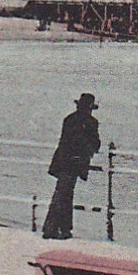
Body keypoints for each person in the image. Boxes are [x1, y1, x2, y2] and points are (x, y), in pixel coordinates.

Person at [43, 93, 102, 239]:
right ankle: (55, 229)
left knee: (62, 194)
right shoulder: (91, 122)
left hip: (63, 161)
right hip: (74, 163)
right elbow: (95, 144)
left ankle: (59, 228)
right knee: (64, 195)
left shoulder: (69, 119)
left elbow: (68, 141)